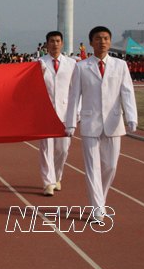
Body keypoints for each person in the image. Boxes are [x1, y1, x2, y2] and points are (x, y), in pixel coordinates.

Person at [66, 26, 138, 222]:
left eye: (106, 38)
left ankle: (100, 200)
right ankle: (97, 207)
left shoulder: (120, 65)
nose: (102, 42)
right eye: (98, 38)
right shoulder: (81, 67)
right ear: (91, 42)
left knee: (110, 167)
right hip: (90, 122)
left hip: (113, 122)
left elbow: (127, 92)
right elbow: (74, 96)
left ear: (110, 41)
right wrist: (71, 122)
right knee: (92, 168)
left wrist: (131, 116)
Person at [38, 31, 76, 196]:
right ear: (47, 44)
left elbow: (76, 90)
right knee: (46, 149)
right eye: (52, 41)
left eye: (58, 41)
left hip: (65, 112)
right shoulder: (39, 63)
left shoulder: (71, 64)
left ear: (62, 43)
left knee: (63, 149)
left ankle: (57, 177)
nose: (55, 44)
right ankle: (48, 182)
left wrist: (76, 112)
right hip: (45, 112)